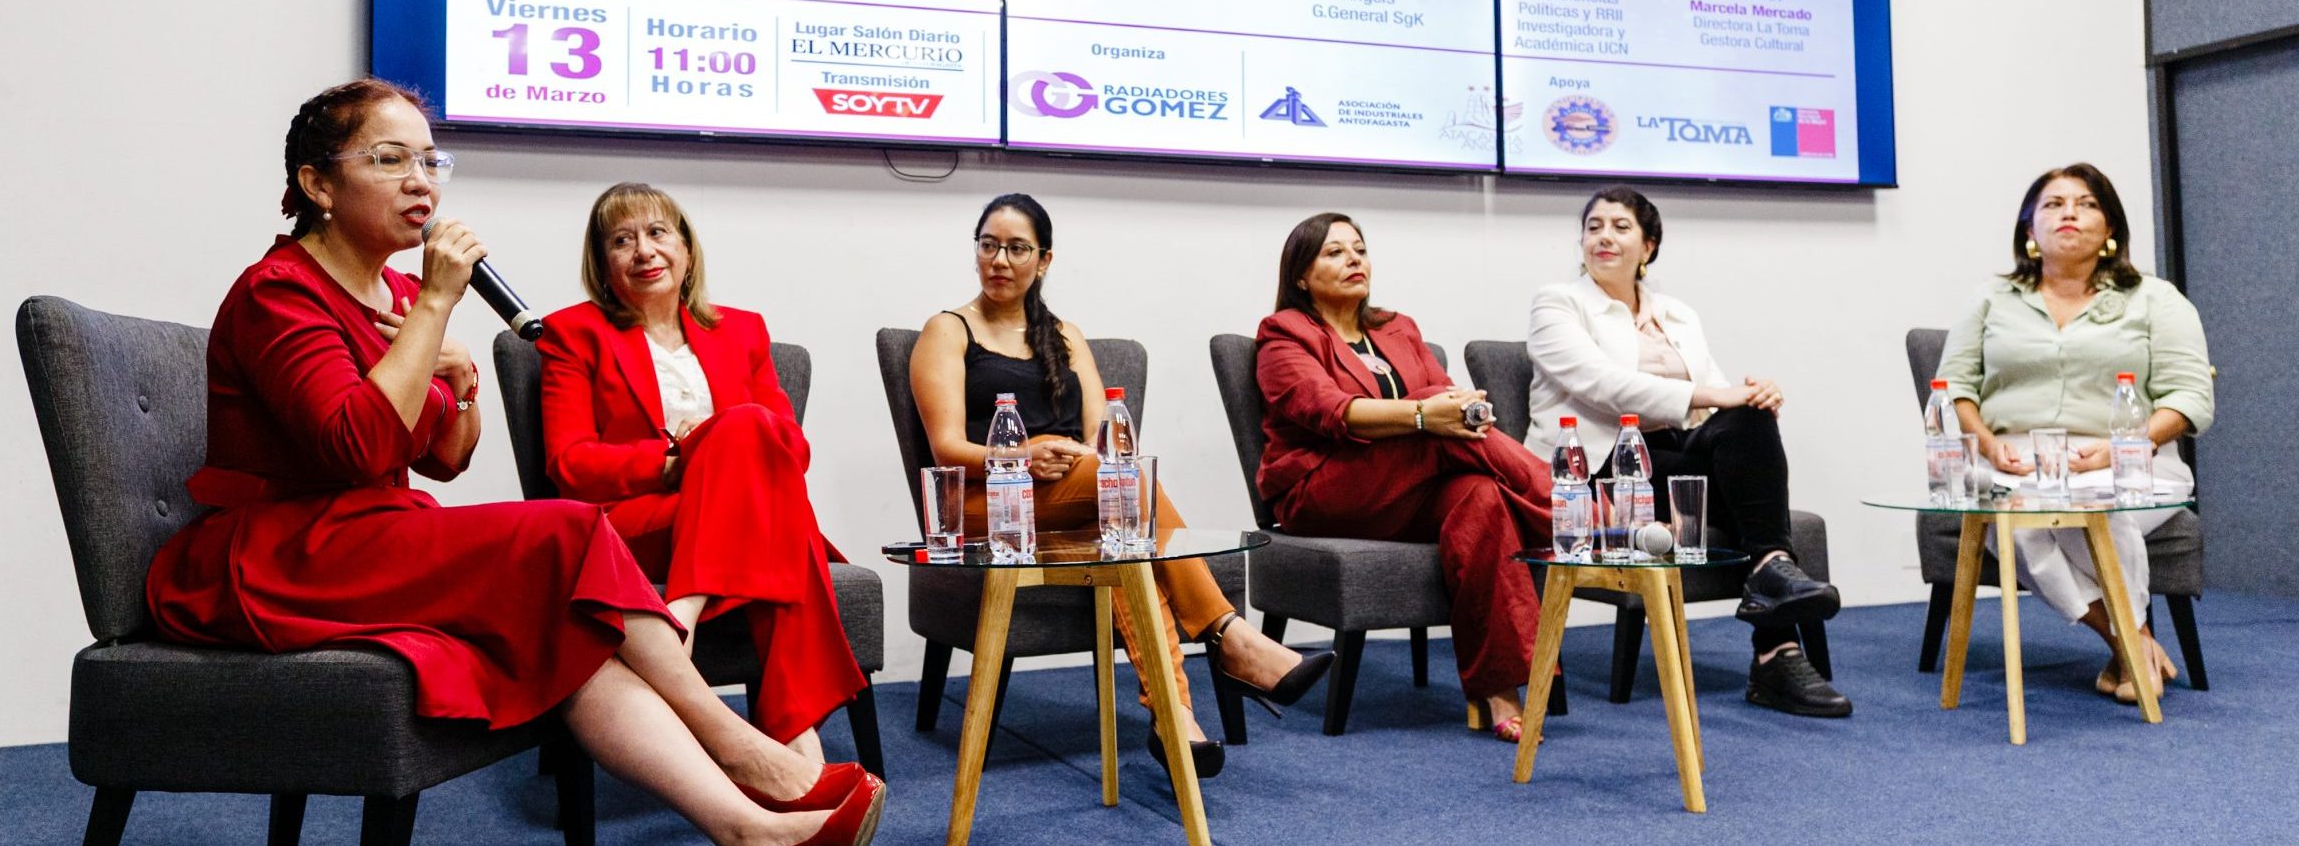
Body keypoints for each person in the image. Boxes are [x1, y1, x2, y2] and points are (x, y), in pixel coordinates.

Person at [145, 80, 882, 846]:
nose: (420, 180)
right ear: (318, 183)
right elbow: (356, 446)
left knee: (571, 630)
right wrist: (434, 310)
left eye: (430, 161)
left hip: (373, 530)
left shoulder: (392, 290)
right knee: (564, 532)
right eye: (390, 159)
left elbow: (447, 462)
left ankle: (745, 829)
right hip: (282, 551)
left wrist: (460, 389)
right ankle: (740, 748)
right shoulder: (280, 292)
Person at [911, 194, 1329, 778]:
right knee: (1129, 488)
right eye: (988, 245)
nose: (999, 259)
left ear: (1045, 259)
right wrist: (1023, 455)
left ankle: (1174, 715)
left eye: (1017, 248)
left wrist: (1074, 456)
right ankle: (1229, 636)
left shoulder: (1066, 335)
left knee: (1131, 541)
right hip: (988, 506)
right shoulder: (948, 330)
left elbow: (1098, 438)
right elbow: (946, 448)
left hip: (1073, 498)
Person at [537, 183, 867, 762]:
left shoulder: (742, 330)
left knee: (745, 427)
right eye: (622, 240)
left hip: (726, 519)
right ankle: (792, 732)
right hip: (634, 525)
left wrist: (718, 445)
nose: (644, 251)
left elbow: (791, 449)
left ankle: (684, 612)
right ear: (602, 262)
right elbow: (570, 464)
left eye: (658, 233)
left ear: (687, 250)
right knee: (776, 517)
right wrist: (676, 462)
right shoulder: (572, 334)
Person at [1524, 187, 1851, 718]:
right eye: (1594, 226)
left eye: (1621, 226)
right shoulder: (1557, 304)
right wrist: (1713, 395)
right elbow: (1603, 384)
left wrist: (1750, 398)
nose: (1604, 235)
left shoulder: (1676, 313)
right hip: (1601, 466)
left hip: (1674, 451)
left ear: (1648, 247)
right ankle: (1776, 646)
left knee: (1749, 420)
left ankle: (1771, 570)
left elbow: (1717, 398)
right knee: (1747, 500)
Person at [1254, 213, 1553, 742]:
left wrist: (1459, 411)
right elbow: (1330, 411)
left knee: (1481, 496)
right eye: (1334, 252)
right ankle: (1573, 516)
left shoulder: (1399, 327)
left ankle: (1497, 688)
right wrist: (1422, 416)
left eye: (1360, 249)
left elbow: (1447, 396)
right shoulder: (1284, 335)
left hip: (1410, 487)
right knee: (1434, 425)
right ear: (1301, 275)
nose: (1354, 260)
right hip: (1323, 489)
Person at [1934, 162, 2212, 703]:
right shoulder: (1991, 298)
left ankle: (2128, 653)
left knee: (2108, 517)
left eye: (2086, 204)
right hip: (2014, 461)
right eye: (2053, 204)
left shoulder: (2156, 299)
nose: (2069, 213)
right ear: (2029, 232)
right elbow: (1953, 389)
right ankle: (2131, 645)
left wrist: (2118, 449)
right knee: (2017, 521)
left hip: (2134, 460)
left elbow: (2190, 398)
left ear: (2110, 228)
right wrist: (1990, 446)